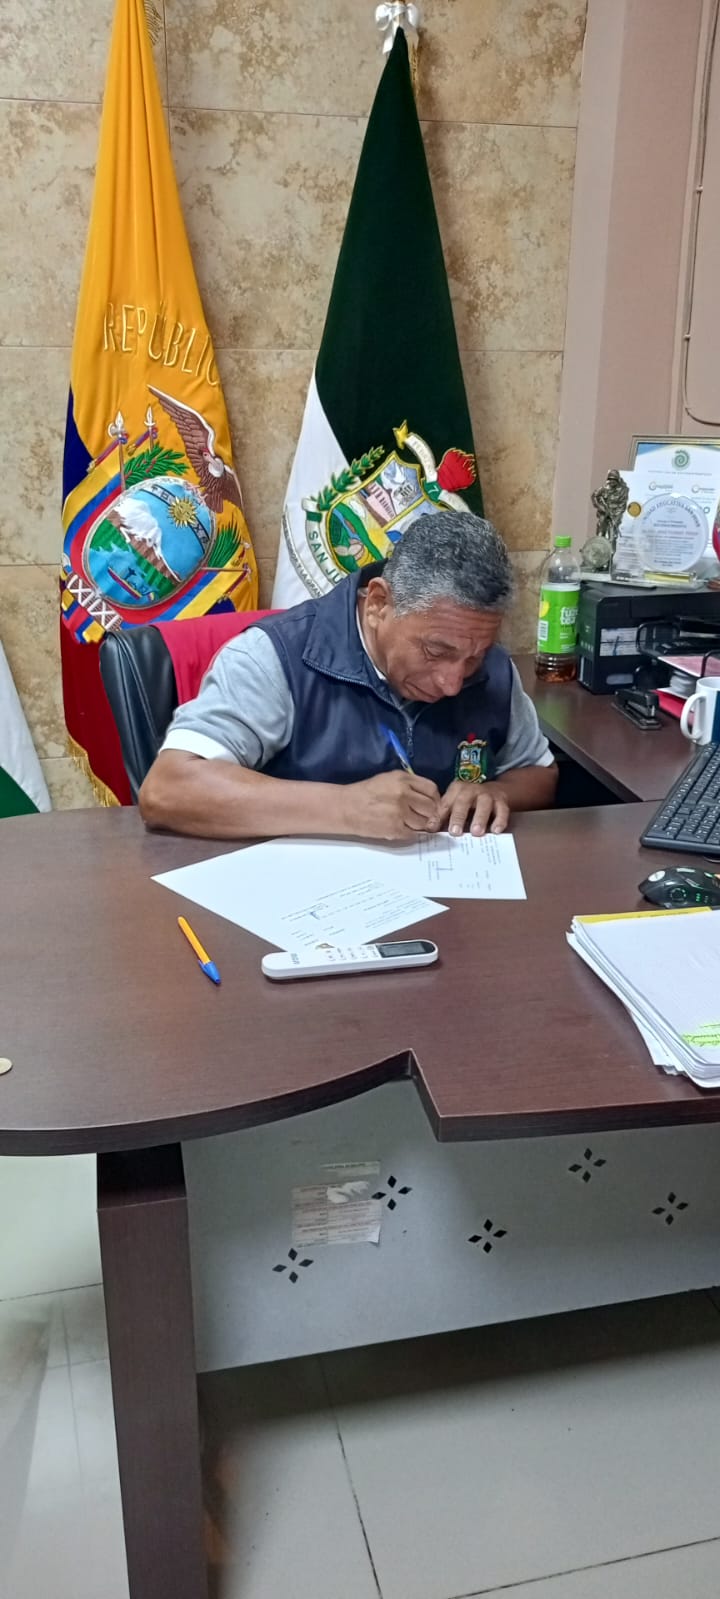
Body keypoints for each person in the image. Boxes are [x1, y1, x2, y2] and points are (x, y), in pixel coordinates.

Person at [139, 511, 558, 841]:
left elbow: (538, 772)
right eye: (435, 651)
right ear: (378, 604)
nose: (453, 683)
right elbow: (168, 789)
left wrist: (496, 792)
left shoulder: (491, 667)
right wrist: (346, 808)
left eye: (473, 657)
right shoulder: (275, 656)